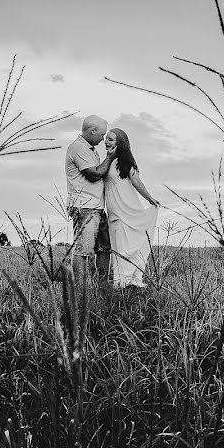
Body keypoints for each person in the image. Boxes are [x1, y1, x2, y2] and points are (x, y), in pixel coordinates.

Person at [65, 115, 115, 311]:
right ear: (92, 131)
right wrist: (110, 157)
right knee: (83, 249)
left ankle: (102, 285)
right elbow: (94, 174)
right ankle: (79, 290)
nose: (103, 139)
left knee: (104, 247)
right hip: (84, 206)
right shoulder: (78, 148)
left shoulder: (89, 149)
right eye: (102, 134)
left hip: (96, 206)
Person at [103, 128, 159, 288]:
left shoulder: (125, 162)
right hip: (113, 212)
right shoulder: (108, 161)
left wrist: (150, 198)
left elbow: (137, 182)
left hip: (127, 209)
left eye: (111, 139)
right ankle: (121, 281)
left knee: (125, 245)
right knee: (118, 245)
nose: (107, 141)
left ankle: (124, 282)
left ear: (120, 143)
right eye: (106, 138)